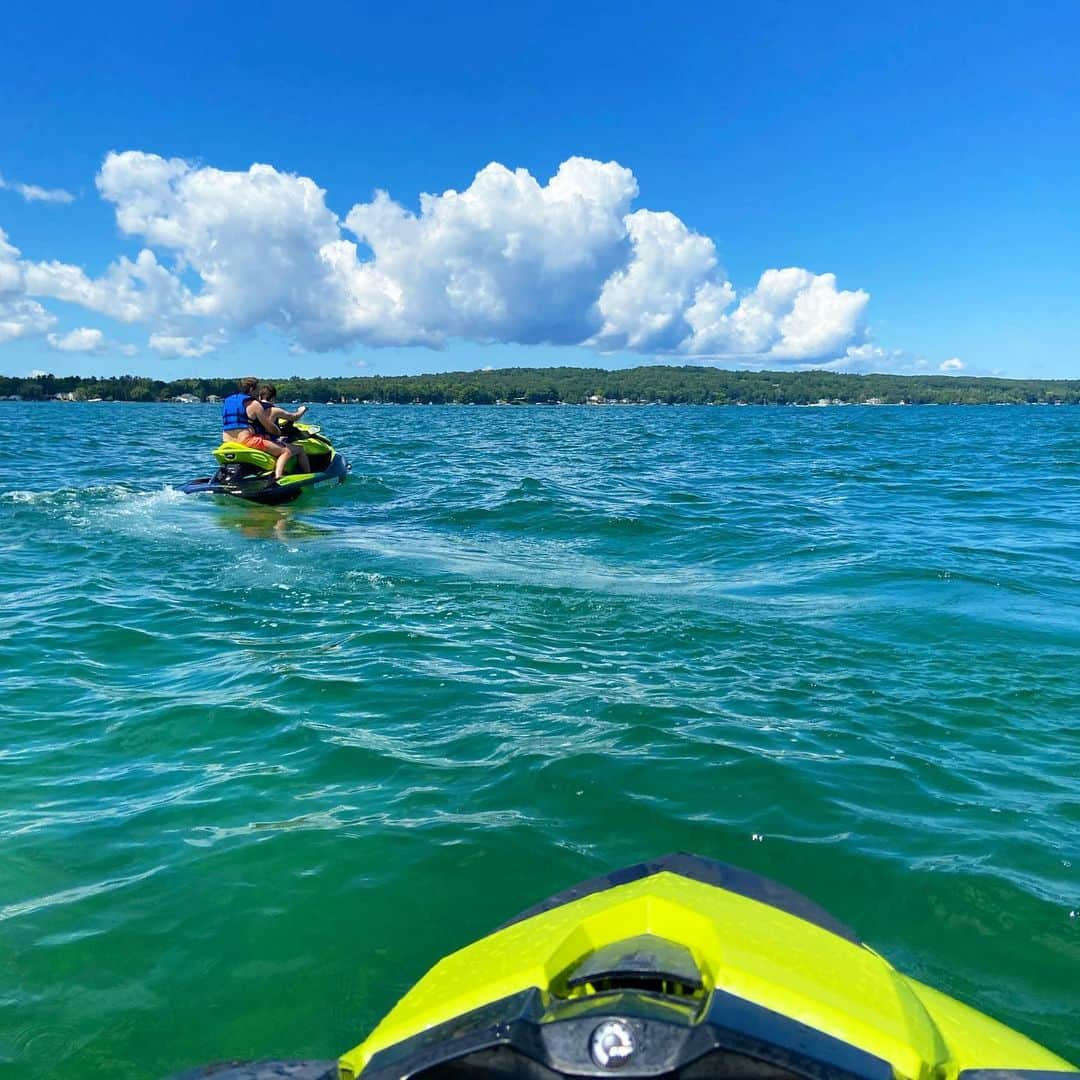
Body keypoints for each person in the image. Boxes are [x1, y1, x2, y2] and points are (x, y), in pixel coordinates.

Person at [220, 376, 295, 482]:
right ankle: (278, 478)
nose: (258, 393)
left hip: (227, 441)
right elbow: (268, 426)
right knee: (286, 452)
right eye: (257, 389)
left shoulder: (228, 402)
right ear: (251, 389)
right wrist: (277, 432)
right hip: (246, 441)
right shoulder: (254, 404)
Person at [256, 384, 311, 473]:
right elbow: (294, 417)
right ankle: (308, 476)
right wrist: (302, 410)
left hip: (255, 440)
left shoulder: (253, 409)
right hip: (268, 441)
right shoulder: (275, 410)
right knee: (300, 449)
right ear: (273, 398)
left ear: (259, 396)